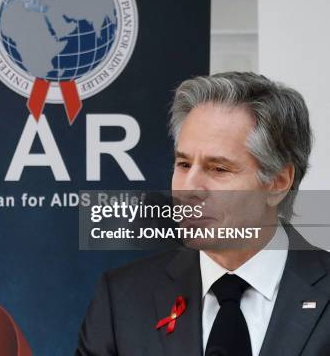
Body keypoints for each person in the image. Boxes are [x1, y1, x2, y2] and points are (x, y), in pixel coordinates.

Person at [76, 72, 330, 356]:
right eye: (183, 165)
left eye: (218, 169)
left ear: (278, 182)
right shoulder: (122, 300)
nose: (188, 189)